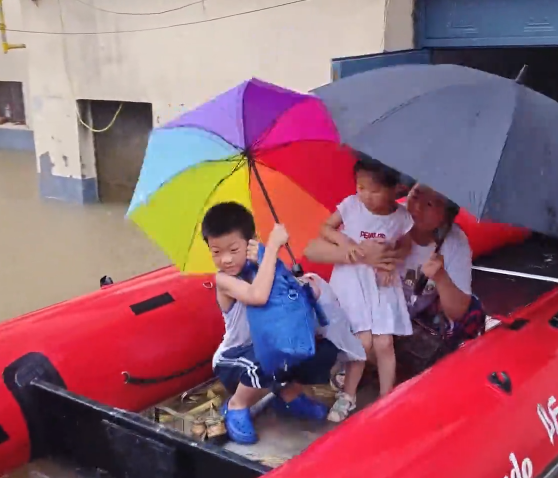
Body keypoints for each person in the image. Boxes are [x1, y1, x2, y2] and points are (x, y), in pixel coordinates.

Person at [306, 183, 485, 411]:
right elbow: (311, 250)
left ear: (446, 216)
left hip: (406, 322)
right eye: (415, 195)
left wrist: (441, 277)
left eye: (429, 204)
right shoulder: (386, 215)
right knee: (368, 342)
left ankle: (376, 386)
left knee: (393, 349)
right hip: (368, 314)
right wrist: (358, 255)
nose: (417, 206)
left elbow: (459, 311)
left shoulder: (453, 243)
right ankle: (356, 370)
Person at [203, 202, 339, 445]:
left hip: (267, 349)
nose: (225, 259)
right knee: (267, 354)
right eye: (216, 252)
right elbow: (258, 295)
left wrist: (293, 277)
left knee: (321, 349)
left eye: (233, 249)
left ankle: (287, 393)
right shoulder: (223, 279)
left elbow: (286, 292)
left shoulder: (262, 263)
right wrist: (274, 247)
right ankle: (237, 404)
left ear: (250, 242)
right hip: (234, 357)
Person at [317, 157, 412, 421]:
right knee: (362, 340)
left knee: (384, 342)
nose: (366, 195)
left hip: (381, 283)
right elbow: (325, 228)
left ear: (395, 189)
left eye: (374, 189)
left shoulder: (400, 217)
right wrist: (344, 243)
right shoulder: (351, 205)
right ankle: (347, 396)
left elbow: (406, 244)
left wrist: (391, 259)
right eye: (361, 187)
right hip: (352, 280)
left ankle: (387, 398)